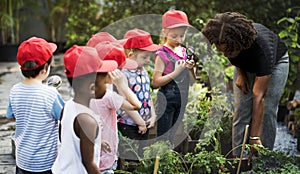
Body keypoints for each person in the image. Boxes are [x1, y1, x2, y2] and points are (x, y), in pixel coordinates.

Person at [201, 12, 289, 156]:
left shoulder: (263, 50)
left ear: (238, 45)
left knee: (267, 109)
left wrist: (254, 137)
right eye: (221, 51)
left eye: (227, 51)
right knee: (242, 108)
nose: (224, 55)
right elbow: (235, 57)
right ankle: (238, 157)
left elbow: (258, 97)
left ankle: (263, 156)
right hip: (246, 64)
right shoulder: (227, 40)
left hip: (275, 64)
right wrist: (241, 74)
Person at [51, 45, 118, 173]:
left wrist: (94, 141)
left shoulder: (68, 105)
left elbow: (64, 136)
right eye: (105, 82)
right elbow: (89, 164)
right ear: (92, 87)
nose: (108, 84)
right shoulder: (87, 120)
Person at [6, 37, 65, 173]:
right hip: (45, 164)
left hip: (22, 160)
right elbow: (65, 116)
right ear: (45, 69)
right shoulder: (50, 94)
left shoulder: (14, 90)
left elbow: (10, 116)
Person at [89, 41, 143, 173]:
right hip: (105, 158)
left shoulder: (85, 91)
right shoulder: (108, 96)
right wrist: (123, 86)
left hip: (89, 152)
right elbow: (136, 105)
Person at [152, 9, 196, 146]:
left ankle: (168, 162)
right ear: (165, 32)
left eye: (182, 36)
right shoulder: (162, 54)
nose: (179, 40)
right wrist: (177, 71)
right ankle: (160, 163)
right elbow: (156, 82)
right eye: (174, 36)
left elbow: (193, 82)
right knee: (163, 136)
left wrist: (190, 69)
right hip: (166, 99)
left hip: (182, 98)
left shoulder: (184, 52)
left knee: (174, 135)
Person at [117, 28, 161, 158]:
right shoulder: (123, 75)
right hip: (129, 124)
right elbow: (124, 102)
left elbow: (147, 95)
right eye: (144, 57)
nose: (148, 60)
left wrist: (153, 115)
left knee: (142, 156)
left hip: (144, 123)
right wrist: (139, 122)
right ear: (131, 54)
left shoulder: (143, 71)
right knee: (130, 156)